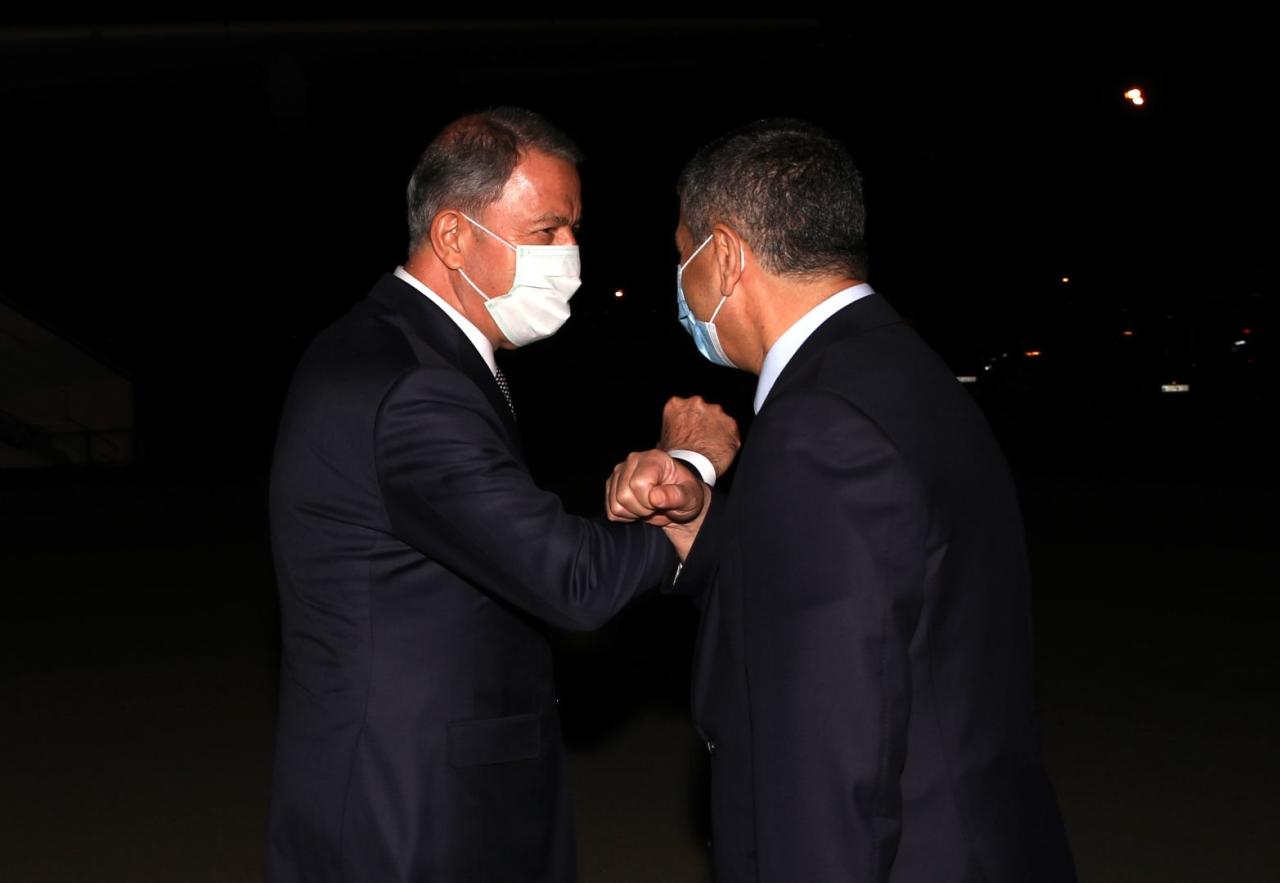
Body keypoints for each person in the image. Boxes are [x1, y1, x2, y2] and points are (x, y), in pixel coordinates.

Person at [266, 107, 737, 883]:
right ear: (453, 236)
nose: (570, 256)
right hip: (415, 813)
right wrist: (692, 466)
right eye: (546, 231)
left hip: (417, 785)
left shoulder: (388, 343)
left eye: (574, 230)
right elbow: (569, 579)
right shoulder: (412, 384)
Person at [606, 119, 1076, 882]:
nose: (681, 284)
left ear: (724, 256)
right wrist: (706, 529)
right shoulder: (894, 366)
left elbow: (826, 757)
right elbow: (873, 594)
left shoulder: (819, 424)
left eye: (681, 253)